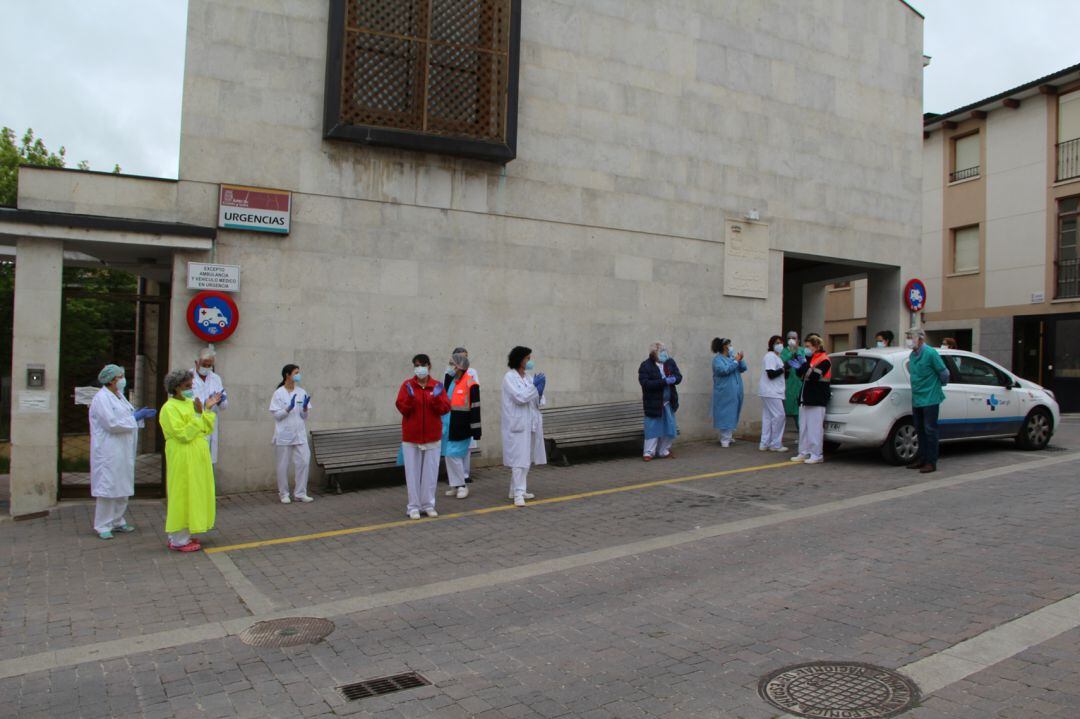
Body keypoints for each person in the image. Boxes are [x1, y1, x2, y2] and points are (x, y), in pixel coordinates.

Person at [88, 364, 156, 539]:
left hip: (123, 449)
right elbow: (111, 423)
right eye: (120, 377)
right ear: (111, 380)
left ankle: (118, 520)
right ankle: (102, 525)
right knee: (108, 487)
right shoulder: (101, 398)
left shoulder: (119, 396)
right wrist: (135, 418)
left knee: (123, 485)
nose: (123, 380)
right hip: (108, 450)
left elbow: (127, 416)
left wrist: (137, 416)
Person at [160, 369, 219, 552]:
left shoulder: (190, 403)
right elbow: (182, 434)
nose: (190, 388)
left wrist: (206, 410)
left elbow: (205, 428)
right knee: (182, 493)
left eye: (191, 385)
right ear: (176, 387)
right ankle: (178, 539)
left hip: (197, 455)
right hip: (182, 455)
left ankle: (184, 532)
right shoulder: (169, 409)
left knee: (195, 492)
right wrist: (197, 416)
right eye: (187, 386)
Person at [396, 354, 451, 519]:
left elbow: (445, 408)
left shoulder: (437, 386)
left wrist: (435, 399)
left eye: (422, 365)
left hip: (432, 437)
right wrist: (411, 399)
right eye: (416, 365)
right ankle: (413, 506)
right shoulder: (407, 386)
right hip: (411, 438)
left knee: (430, 473)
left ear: (429, 366)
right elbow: (402, 408)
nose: (420, 368)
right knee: (412, 473)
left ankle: (428, 504)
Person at [501, 346, 546, 506]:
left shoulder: (527, 377)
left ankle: (516, 489)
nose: (530, 361)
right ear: (519, 359)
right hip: (517, 424)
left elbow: (536, 401)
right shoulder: (509, 377)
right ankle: (518, 494)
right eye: (527, 358)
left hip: (530, 423)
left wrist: (540, 392)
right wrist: (535, 388)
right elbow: (519, 398)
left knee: (526, 458)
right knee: (519, 459)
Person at [906, 327, 950, 474]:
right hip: (917, 398)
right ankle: (921, 458)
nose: (909, 340)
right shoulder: (912, 355)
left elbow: (944, 373)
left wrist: (937, 386)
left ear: (920, 338)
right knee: (919, 430)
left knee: (930, 430)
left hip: (930, 398)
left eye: (911, 337)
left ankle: (931, 462)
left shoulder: (930, 353)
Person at [269, 364, 314, 504]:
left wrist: (305, 408)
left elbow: (304, 416)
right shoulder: (278, 393)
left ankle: (300, 493)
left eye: (298, 373)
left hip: (299, 433)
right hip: (284, 434)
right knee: (283, 465)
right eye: (296, 373)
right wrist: (288, 408)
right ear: (287, 375)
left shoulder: (301, 392)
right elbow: (277, 416)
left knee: (304, 461)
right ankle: (284, 494)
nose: (298, 375)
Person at [441, 351, 481, 499]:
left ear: (459, 366)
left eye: (452, 364)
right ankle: (455, 485)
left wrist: (476, 429)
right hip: (448, 425)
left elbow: (475, 407)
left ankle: (462, 485)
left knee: (454, 455)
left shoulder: (471, 383)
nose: (450, 366)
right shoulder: (450, 380)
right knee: (448, 456)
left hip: (461, 425)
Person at [790, 334, 830, 465]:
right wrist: (800, 367)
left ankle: (816, 454)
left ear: (816, 346)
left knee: (815, 429)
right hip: (806, 398)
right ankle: (803, 452)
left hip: (817, 398)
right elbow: (802, 375)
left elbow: (814, 376)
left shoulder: (825, 360)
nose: (805, 349)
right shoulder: (811, 358)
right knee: (804, 428)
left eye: (808, 346)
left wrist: (803, 366)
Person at [638, 342, 683, 460]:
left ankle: (664, 450)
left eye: (664, 350)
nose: (664, 353)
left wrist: (674, 379)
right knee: (652, 428)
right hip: (654, 403)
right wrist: (663, 382)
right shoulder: (646, 365)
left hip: (669, 402)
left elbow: (679, 376)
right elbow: (645, 383)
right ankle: (648, 452)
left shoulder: (670, 362)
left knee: (669, 427)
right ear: (654, 353)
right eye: (661, 351)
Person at [192, 346, 227, 465]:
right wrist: (206, 402)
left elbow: (224, 406)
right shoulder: (188, 377)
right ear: (197, 363)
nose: (206, 368)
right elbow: (187, 400)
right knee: (196, 459)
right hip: (195, 421)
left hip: (211, 420)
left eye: (209, 365)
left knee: (209, 459)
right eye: (204, 365)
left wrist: (222, 400)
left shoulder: (215, 378)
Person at [711, 337, 747, 447]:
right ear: (724, 347)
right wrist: (736, 361)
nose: (731, 347)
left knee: (733, 412)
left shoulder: (732, 358)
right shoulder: (717, 360)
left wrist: (740, 359)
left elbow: (743, 368)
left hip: (736, 391)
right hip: (725, 391)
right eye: (729, 345)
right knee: (725, 414)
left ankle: (728, 436)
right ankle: (724, 439)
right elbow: (724, 370)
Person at [758, 336, 789, 453]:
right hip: (771, 391)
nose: (780, 345)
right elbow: (771, 374)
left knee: (768, 417)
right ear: (771, 344)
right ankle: (775, 444)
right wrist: (783, 369)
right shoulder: (770, 356)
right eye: (777, 343)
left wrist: (787, 368)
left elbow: (781, 374)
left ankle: (764, 443)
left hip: (769, 391)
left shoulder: (777, 357)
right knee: (780, 416)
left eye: (781, 343)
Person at [781, 331, 806, 420]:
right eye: (789, 338)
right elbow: (783, 361)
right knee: (787, 408)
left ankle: (800, 430)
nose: (791, 340)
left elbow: (804, 363)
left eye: (794, 338)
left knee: (799, 410)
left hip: (799, 383)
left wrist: (797, 351)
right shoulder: (783, 351)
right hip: (788, 384)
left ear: (798, 340)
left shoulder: (802, 350)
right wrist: (791, 353)